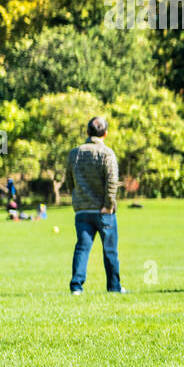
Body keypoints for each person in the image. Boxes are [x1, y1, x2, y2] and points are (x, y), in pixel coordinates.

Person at [65, 116, 125, 295]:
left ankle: (76, 286)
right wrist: (108, 205)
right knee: (110, 251)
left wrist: (76, 199)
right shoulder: (107, 153)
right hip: (103, 211)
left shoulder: (75, 153)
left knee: (82, 248)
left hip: (82, 210)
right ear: (105, 133)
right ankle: (114, 287)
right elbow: (111, 181)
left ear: (87, 132)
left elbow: (69, 180)